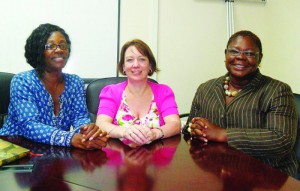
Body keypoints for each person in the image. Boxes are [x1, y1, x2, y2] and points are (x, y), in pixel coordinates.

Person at [183, 30, 298, 155]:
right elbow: (189, 128)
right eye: (234, 51)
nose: (241, 57)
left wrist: (223, 134)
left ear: (260, 58)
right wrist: (194, 129)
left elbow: (282, 139)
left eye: (249, 53)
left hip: (265, 170)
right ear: (225, 54)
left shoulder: (278, 91)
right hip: (213, 166)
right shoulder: (205, 88)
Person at [0, 23, 108, 150]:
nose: (59, 49)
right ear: (38, 50)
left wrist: (88, 133)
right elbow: (29, 125)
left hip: (53, 151)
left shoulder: (75, 82)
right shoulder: (22, 81)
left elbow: (80, 118)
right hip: (15, 150)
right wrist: (70, 138)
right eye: (51, 46)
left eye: (63, 45)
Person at [96, 39, 181, 146]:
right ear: (123, 67)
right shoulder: (111, 92)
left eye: (142, 59)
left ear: (150, 66)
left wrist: (155, 133)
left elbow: (175, 124)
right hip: (118, 159)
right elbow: (101, 124)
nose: (136, 65)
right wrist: (124, 132)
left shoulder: (164, 92)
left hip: (156, 158)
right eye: (130, 60)